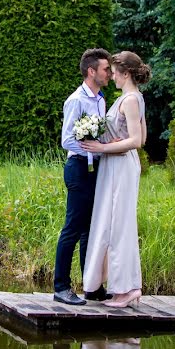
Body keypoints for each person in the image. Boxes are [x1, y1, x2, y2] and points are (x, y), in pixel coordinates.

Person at [80, 51, 151, 309]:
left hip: (121, 166)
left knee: (120, 226)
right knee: (110, 223)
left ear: (126, 73)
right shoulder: (129, 98)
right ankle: (115, 286)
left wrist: (101, 148)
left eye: (114, 72)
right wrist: (111, 143)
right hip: (116, 164)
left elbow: (136, 141)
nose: (111, 76)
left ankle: (127, 289)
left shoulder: (131, 99)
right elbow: (140, 137)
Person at [53, 48, 112, 306]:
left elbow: (101, 136)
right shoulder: (76, 100)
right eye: (105, 69)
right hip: (78, 167)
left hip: (96, 169)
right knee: (73, 228)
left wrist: (105, 147)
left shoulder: (101, 100)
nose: (109, 73)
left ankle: (91, 286)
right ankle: (61, 287)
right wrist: (91, 149)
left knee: (92, 229)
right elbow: (67, 139)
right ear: (92, 71)